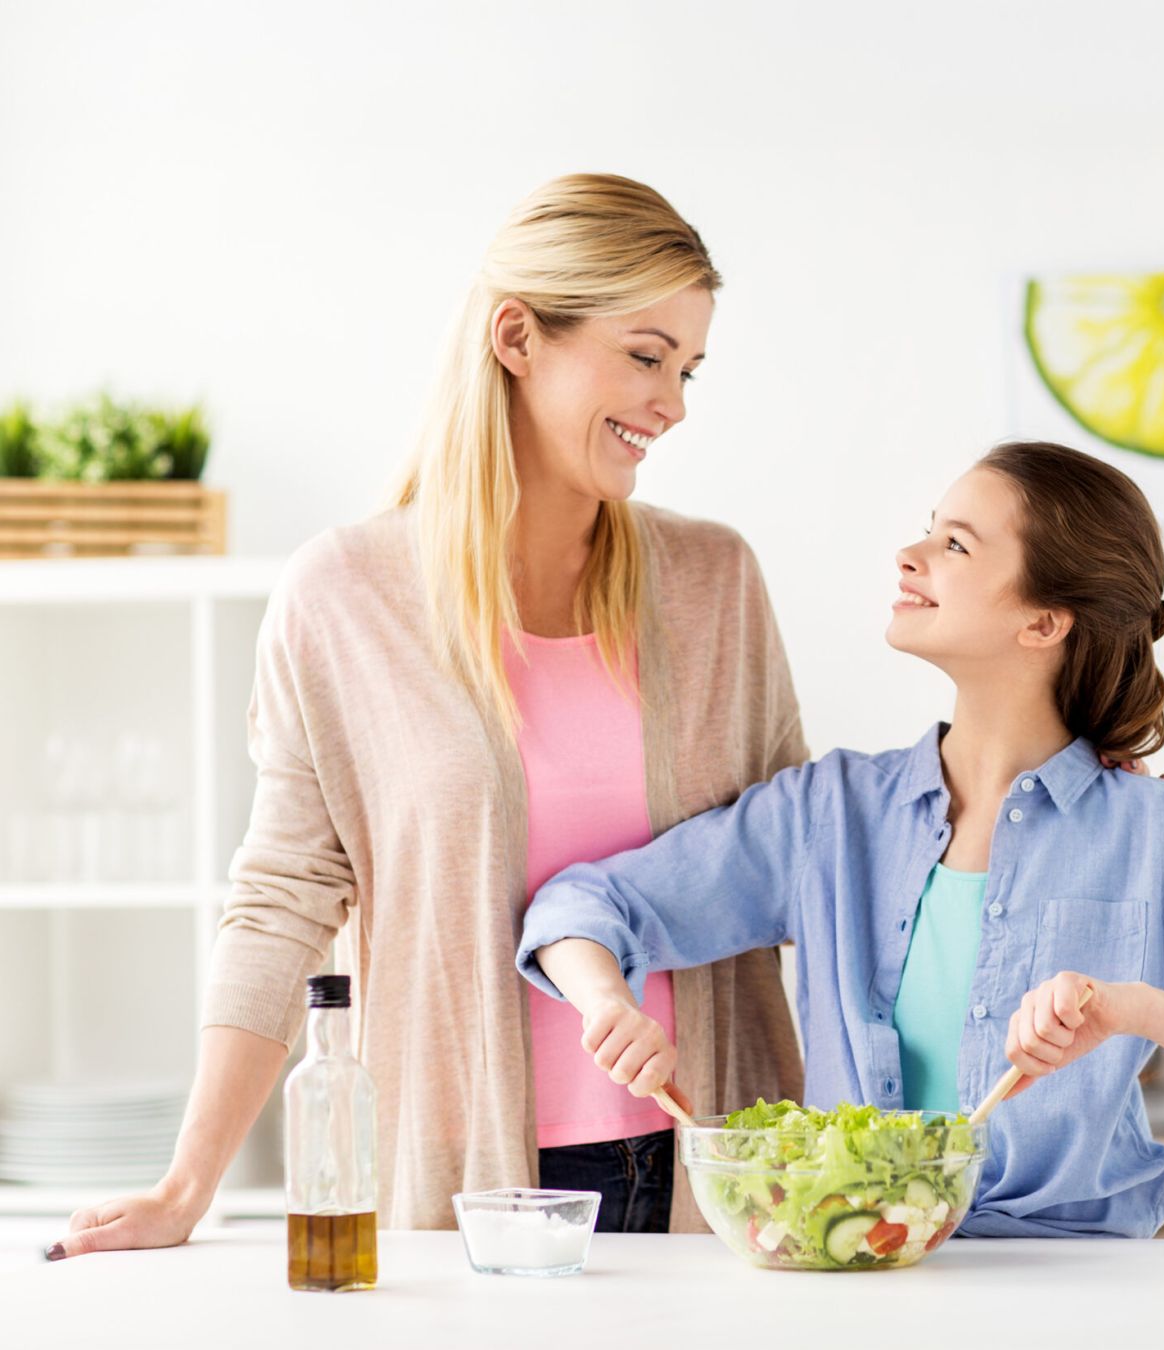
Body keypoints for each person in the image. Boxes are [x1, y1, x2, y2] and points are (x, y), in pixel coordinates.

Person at [48, 174, 806, 1260]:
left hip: (718, 1174)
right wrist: (186, 1185)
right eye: (646, 357)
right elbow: (282, 900)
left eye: (687, 370)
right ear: (517, 337)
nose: (673, 403)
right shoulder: (345, 596)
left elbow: (802, 857)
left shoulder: (714, 582)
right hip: (472, 1188)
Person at [518, 440, 1164, 1239]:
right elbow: (582, 903)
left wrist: (1127, 1009)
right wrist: (605, 1003)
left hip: (1086, 1287)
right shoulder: (832, 814)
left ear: (1043, 622)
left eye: (955, 545)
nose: (910, 556)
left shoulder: (1162, 834)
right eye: (929, 530)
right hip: (861, 1269)